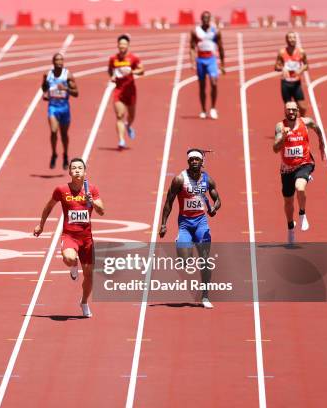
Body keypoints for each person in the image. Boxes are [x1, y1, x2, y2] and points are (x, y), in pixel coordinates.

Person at [33, 158, 105, 317]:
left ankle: (84, 302)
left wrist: (91, 202)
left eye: (80, 168)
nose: (77, 170)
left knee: (89, 276)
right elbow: (48, 207)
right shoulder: (61, 190)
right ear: (70, 172)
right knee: (68, 258)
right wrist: (41, 225)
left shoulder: (91, 189)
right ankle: (73, 264)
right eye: (74, 168)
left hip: (87, 239)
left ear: (85, 172)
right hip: (70, 235)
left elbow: (102, 211)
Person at [159, 149, 221, 308]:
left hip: (201, 223)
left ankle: (205, 296)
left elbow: (218, 199)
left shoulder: (207, 180)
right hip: (185, 224)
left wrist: (214, 208)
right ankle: (182, 244)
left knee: (205, 260)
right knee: (185, 262)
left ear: (201, 162)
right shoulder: (180, 180)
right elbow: (168, 202)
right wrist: (164, 224)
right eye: (191, 159)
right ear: (188, 162)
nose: (194, 161)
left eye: (197, 159)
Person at [273, 101, 325, 244]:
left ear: (297, 111)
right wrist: (283, 137)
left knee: (300, 187)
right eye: (288, 110)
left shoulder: (306, 122)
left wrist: (321, 142)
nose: (290, 112)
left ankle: (302, 213)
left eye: (293, 110)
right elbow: (275, 149)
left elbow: (317, 128)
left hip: (304, 163)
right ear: (285, 111)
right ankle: (290, 228)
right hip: (287, 170)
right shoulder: (280, 126)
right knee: (288, 202)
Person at [41, 53, 78, 169]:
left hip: (64, 108)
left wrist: (66, 88)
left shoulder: (68, 75)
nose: (59, 62)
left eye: (61, 60)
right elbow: (44, 88)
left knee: (64, 135)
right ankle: (54, 154)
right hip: (53, 107)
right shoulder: (48, 75)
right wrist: (45, 92)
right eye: (57, 60)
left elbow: (76, 93)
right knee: (53, 131)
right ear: (53, 62)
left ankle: (65, 154)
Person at [108, 34, 144, 149]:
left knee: (131, 116)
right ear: (118, 45)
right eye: (120, 44)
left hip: (131, 90)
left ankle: (128, 126)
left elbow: (142, 70)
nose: (122, 46)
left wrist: (132, 72)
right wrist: (112, 76)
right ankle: (121, 140)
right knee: (120, 115)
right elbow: (110, 70)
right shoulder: (113, 59)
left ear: (128, 45)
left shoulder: (133, 58)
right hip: (118, 90)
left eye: (124, 44)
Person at [190, 11, 225, 120]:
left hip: (211, 60)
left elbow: (220, 47)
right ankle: (203, 110)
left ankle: (213, 108)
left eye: (207, 18)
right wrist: (192, 62)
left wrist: (223, 64)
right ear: (201, 19)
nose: (205, 20)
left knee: (214, 83)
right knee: (202, 86)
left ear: (210, 19)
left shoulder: (215, 31)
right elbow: (192, 47)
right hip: (200, 60)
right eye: (204, 18)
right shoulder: (195, 31)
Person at [274, 32, 309, 117]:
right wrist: (282, 68)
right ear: (287, 40)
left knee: (302, 107)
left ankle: (302, 121)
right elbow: (276, 66)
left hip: (296, 83)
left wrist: (301, 69)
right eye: (290, 37)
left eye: (294, 37)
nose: (292, 39)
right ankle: (289, 127)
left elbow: (306, 65)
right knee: (288, 108)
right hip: (286, 83)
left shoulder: (301, 52)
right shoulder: (282, 52)